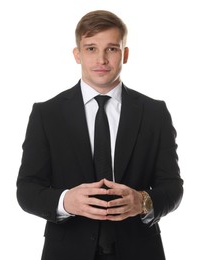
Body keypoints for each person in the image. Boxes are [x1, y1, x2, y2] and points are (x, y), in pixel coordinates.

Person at [16, 10, 184, 260]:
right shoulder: (46, 114)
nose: (102, 59)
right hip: (66, 251)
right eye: (91, 48)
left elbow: (172, 186)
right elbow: (27, 189)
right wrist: (65, 201)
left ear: (125, 54)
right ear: (77, 54)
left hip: (140, 250)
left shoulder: (154, 113)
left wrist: (142, 201)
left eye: (112, 49)